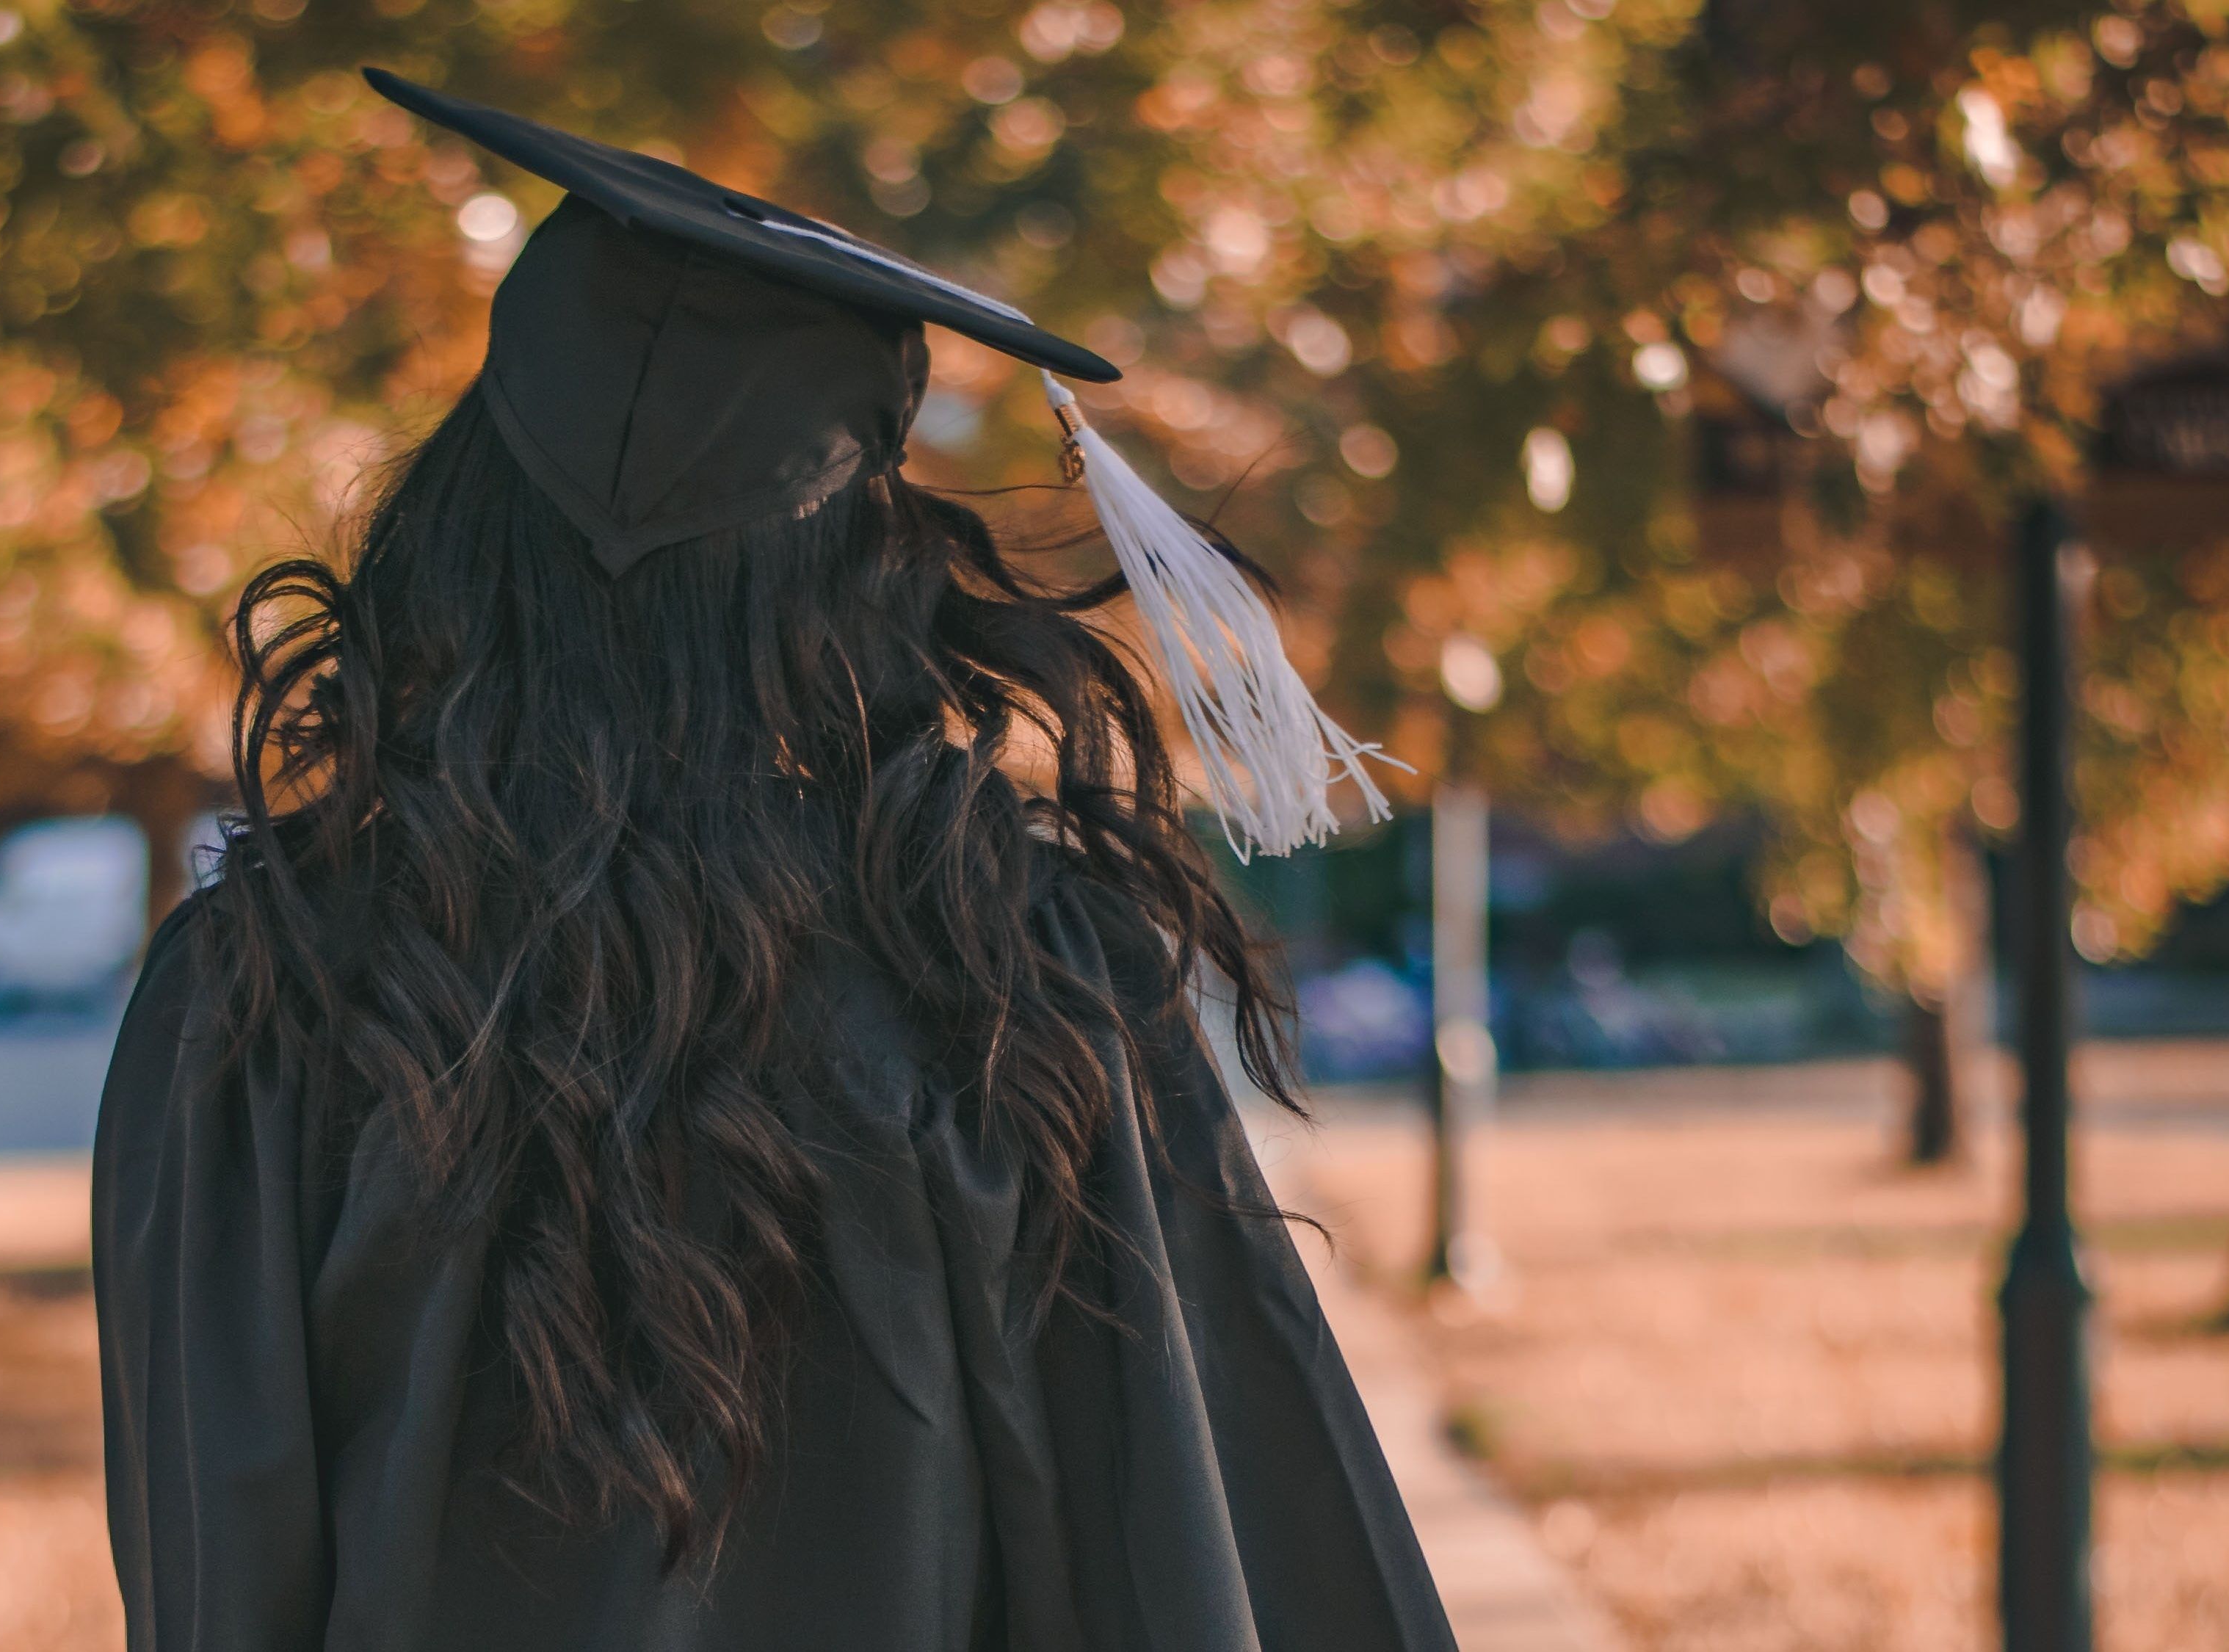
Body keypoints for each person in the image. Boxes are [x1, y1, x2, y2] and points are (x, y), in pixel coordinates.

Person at [92, 70, 1454, 1652]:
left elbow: (215, 1559)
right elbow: (1183, 1533)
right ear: (859, 556)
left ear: (457, 531)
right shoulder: (1019, 979)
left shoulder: (265, 994)